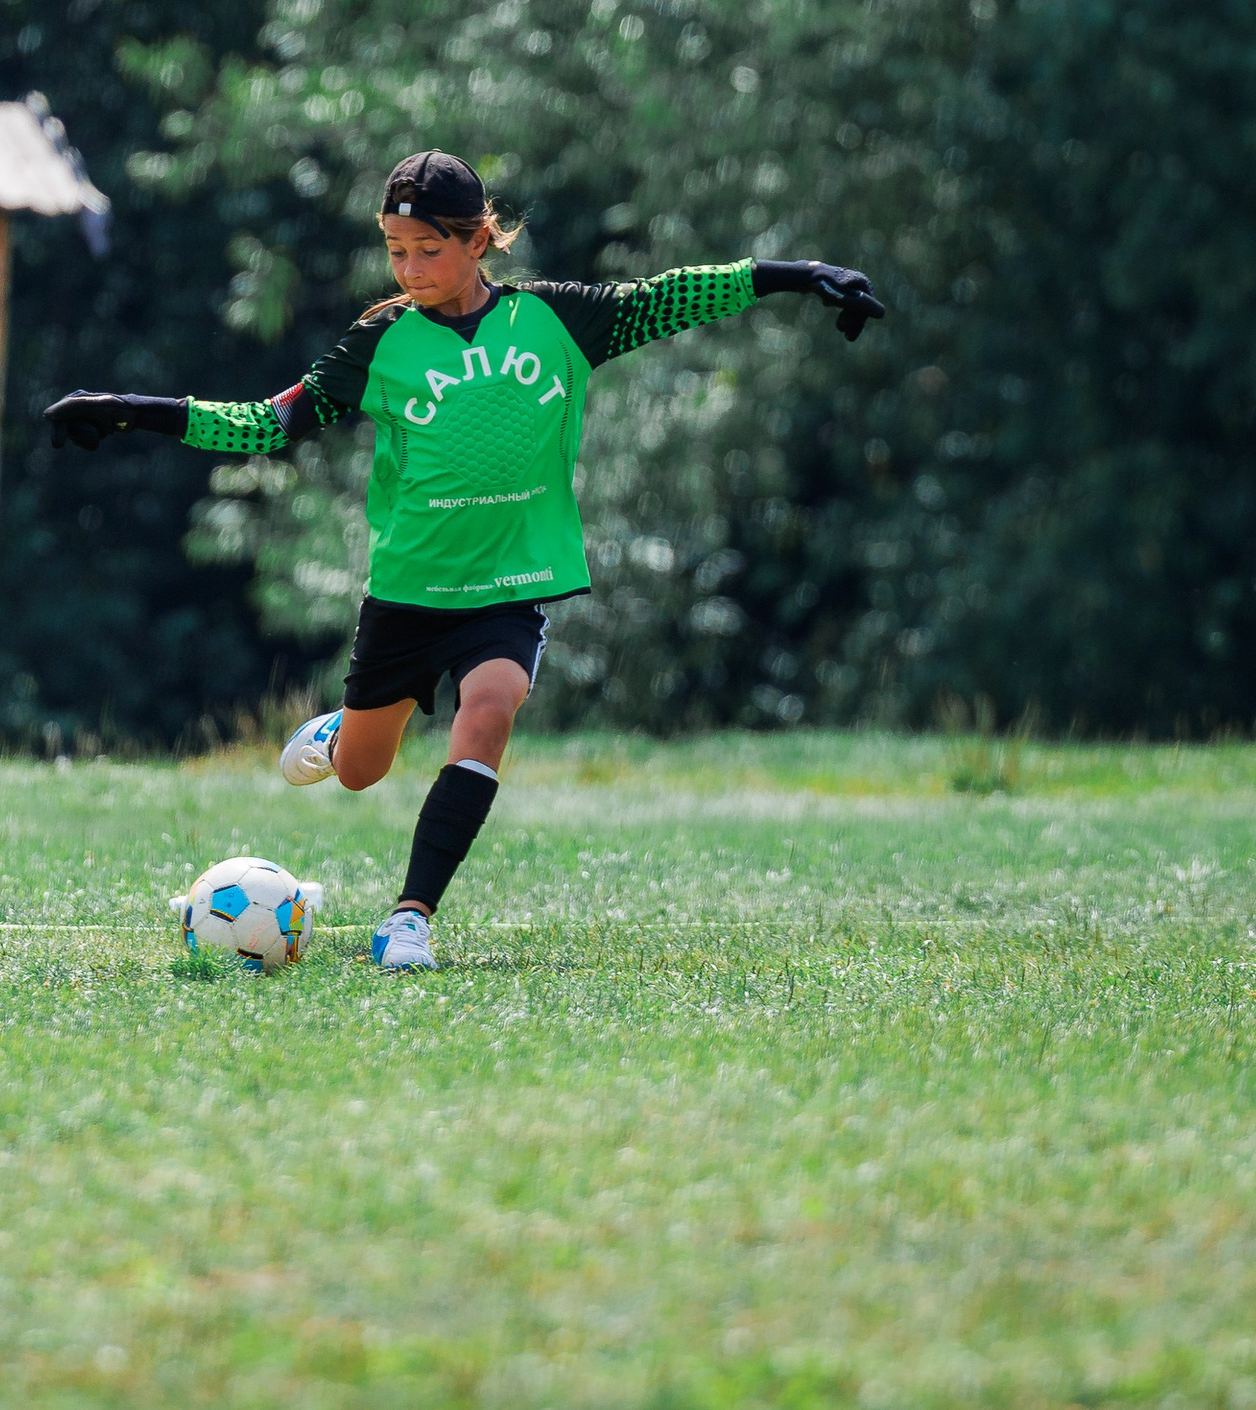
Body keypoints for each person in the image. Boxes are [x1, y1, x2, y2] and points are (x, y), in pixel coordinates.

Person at [44, 151, 885, 970]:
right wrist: (131, 410)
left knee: (490, 708)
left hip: (508, 588)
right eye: (395, 250)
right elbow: (270, 423)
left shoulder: (556, 319)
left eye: (428, 249)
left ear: (479, 241)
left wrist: (801, 273)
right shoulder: (380, 342)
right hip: (409, 593)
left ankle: (410, 918)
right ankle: (344, 735)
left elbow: (674, 296)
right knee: (362, 773)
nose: (408, 268)